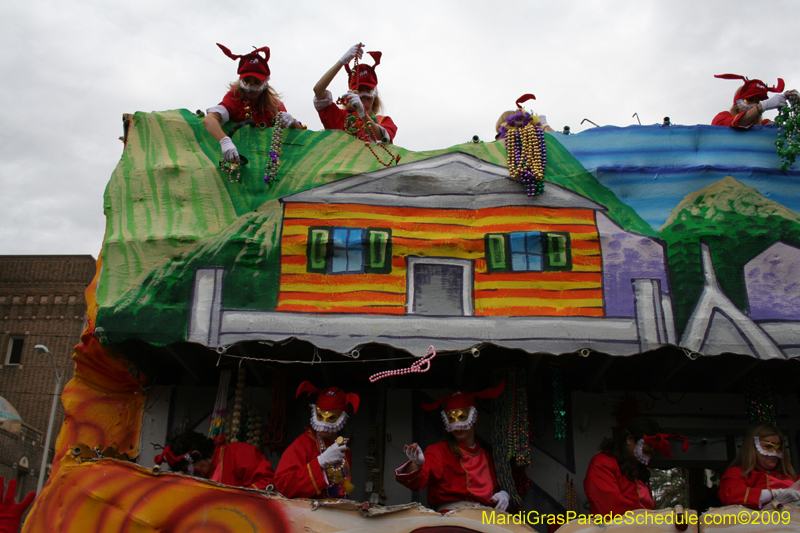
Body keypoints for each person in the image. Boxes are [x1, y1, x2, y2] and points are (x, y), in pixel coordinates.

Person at [395, 382, 511, 513]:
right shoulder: (439, 451)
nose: (457, 425)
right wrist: (416, 464)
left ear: (475, 417)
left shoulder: (486, 456)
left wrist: (502, 495)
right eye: (451, 418)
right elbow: (416, 482)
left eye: (462, 417)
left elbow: (493, 495)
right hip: (451, 518)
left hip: (485, 519)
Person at [203, 43, 302, 164]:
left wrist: (292, 122)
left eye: (256, 81)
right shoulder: (234, 98)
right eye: (247, 80)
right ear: (241, 81)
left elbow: (299, 133)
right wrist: (224, 141)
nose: (251, 86)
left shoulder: (274, 104)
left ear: (264, 83)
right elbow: (209, 119)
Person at [584, 417, 688, 516]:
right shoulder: (602, 463)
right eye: (646, 450)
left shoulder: (636, 468)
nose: (649, 457)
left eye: (653, 452)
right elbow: (613, 509)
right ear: (629, 439)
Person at [273, 381, 359, 499]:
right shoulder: (303, 444)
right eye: (320, 415)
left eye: (332, 417)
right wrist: (320, 462)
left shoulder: (345, 451)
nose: (324, 422)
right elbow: (282, 486)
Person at [313, 43, 397, 144]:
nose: (363, 93)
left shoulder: (385, 121)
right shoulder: (340, 117)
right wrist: (341, 61)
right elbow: (318, 91)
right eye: (359, 89)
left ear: (375, 94)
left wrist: (363, 114)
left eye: (368, 89)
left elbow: (382, 139)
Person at [154, 430, 274, 490]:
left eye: (187, 470)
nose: (191, 476)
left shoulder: (238, 453)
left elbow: (267, 481)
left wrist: (237, 500)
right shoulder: (202, 481)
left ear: (197, 455)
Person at [718, 422, 799, 509]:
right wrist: (771, 494)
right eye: (768, 447)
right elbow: (730, 495)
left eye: (778, 449)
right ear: (752, 447)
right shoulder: (738, 473)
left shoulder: (792, 477)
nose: (774, 453)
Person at [711, 73, 798, 129]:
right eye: (750, 100)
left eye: (759, 101)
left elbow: (791, 131)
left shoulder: (765, 125)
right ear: (737, 104)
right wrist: (762, 106)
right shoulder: (722, 117)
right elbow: (732, 125)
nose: (755, 105)